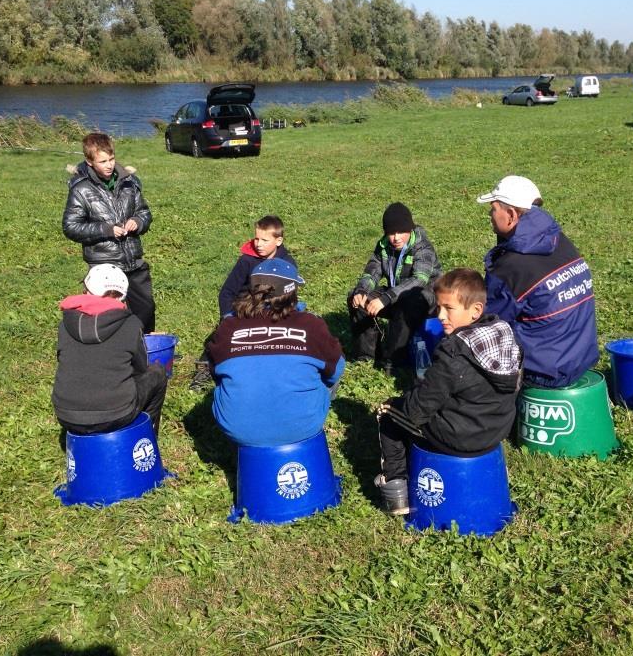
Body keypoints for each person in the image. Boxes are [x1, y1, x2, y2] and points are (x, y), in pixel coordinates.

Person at [375, 268, 522, 515]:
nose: (441, 315)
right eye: (439, 308)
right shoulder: (505, 336)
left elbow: (416, 410)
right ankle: (490, 475)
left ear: (475, 310)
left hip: (458, 438)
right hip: (495, 431)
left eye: (448, 308)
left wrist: (413, 392)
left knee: (389, 413)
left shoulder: (454, 351)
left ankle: (396, 490)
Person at [478, 175, 598, 389]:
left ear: (512, 215)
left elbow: (489, 322)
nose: (489, 213)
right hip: (581, 357)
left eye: (493, 208)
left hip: (544, 372)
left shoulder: (511, 267)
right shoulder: (559, 241)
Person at [207, 259, 345, 447]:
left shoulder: (228, 326)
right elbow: (335, 371)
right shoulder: (311, 324)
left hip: (236, 428)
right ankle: (300, 411)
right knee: (333, 359)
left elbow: (215, 373)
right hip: (302, 427)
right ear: (292, 292)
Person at [51, 264, 166, 443]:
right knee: (157, 373)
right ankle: (146, 439)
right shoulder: (131, 323)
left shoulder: (65, 324)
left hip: (66, 415)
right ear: (123, 296)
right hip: (117, 415)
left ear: (86, 291)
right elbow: (140, 369)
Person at [62, 133, 155, 333]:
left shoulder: (130, 182)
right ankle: (113, 353)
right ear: (90, 162)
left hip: (134, 261)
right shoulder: (81, 190)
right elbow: (71, 226)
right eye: (102, 161)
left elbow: (144, 212)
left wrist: (137, 221)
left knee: (145, 309)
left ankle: (148, 350)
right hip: (104, 263)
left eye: (111, 159)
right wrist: (106, 230)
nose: (109, 165)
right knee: (110, 315)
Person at [190, 215, 296, 390]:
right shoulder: (247, 260)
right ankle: (206, 366)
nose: (259, 244)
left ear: (279, 241)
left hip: (272, 312)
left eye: (264, 240)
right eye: (256, 238)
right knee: (222, 338)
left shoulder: (287, 264)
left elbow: (289, 295)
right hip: (244, 308)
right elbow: (227, 292)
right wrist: (227, 316)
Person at [348, 202, 442, 373]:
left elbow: (419, 280)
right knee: (356, 298)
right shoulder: (384, 246)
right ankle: (366, 356)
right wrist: (362, 290)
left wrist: (386, 298)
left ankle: (393, 361)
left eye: (401, 232)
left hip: (425, 300)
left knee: (408, 303)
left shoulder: (423, 247)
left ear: (410, 230)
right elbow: (372, 272)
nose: (396, 237)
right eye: (391, 232)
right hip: (395, 294)